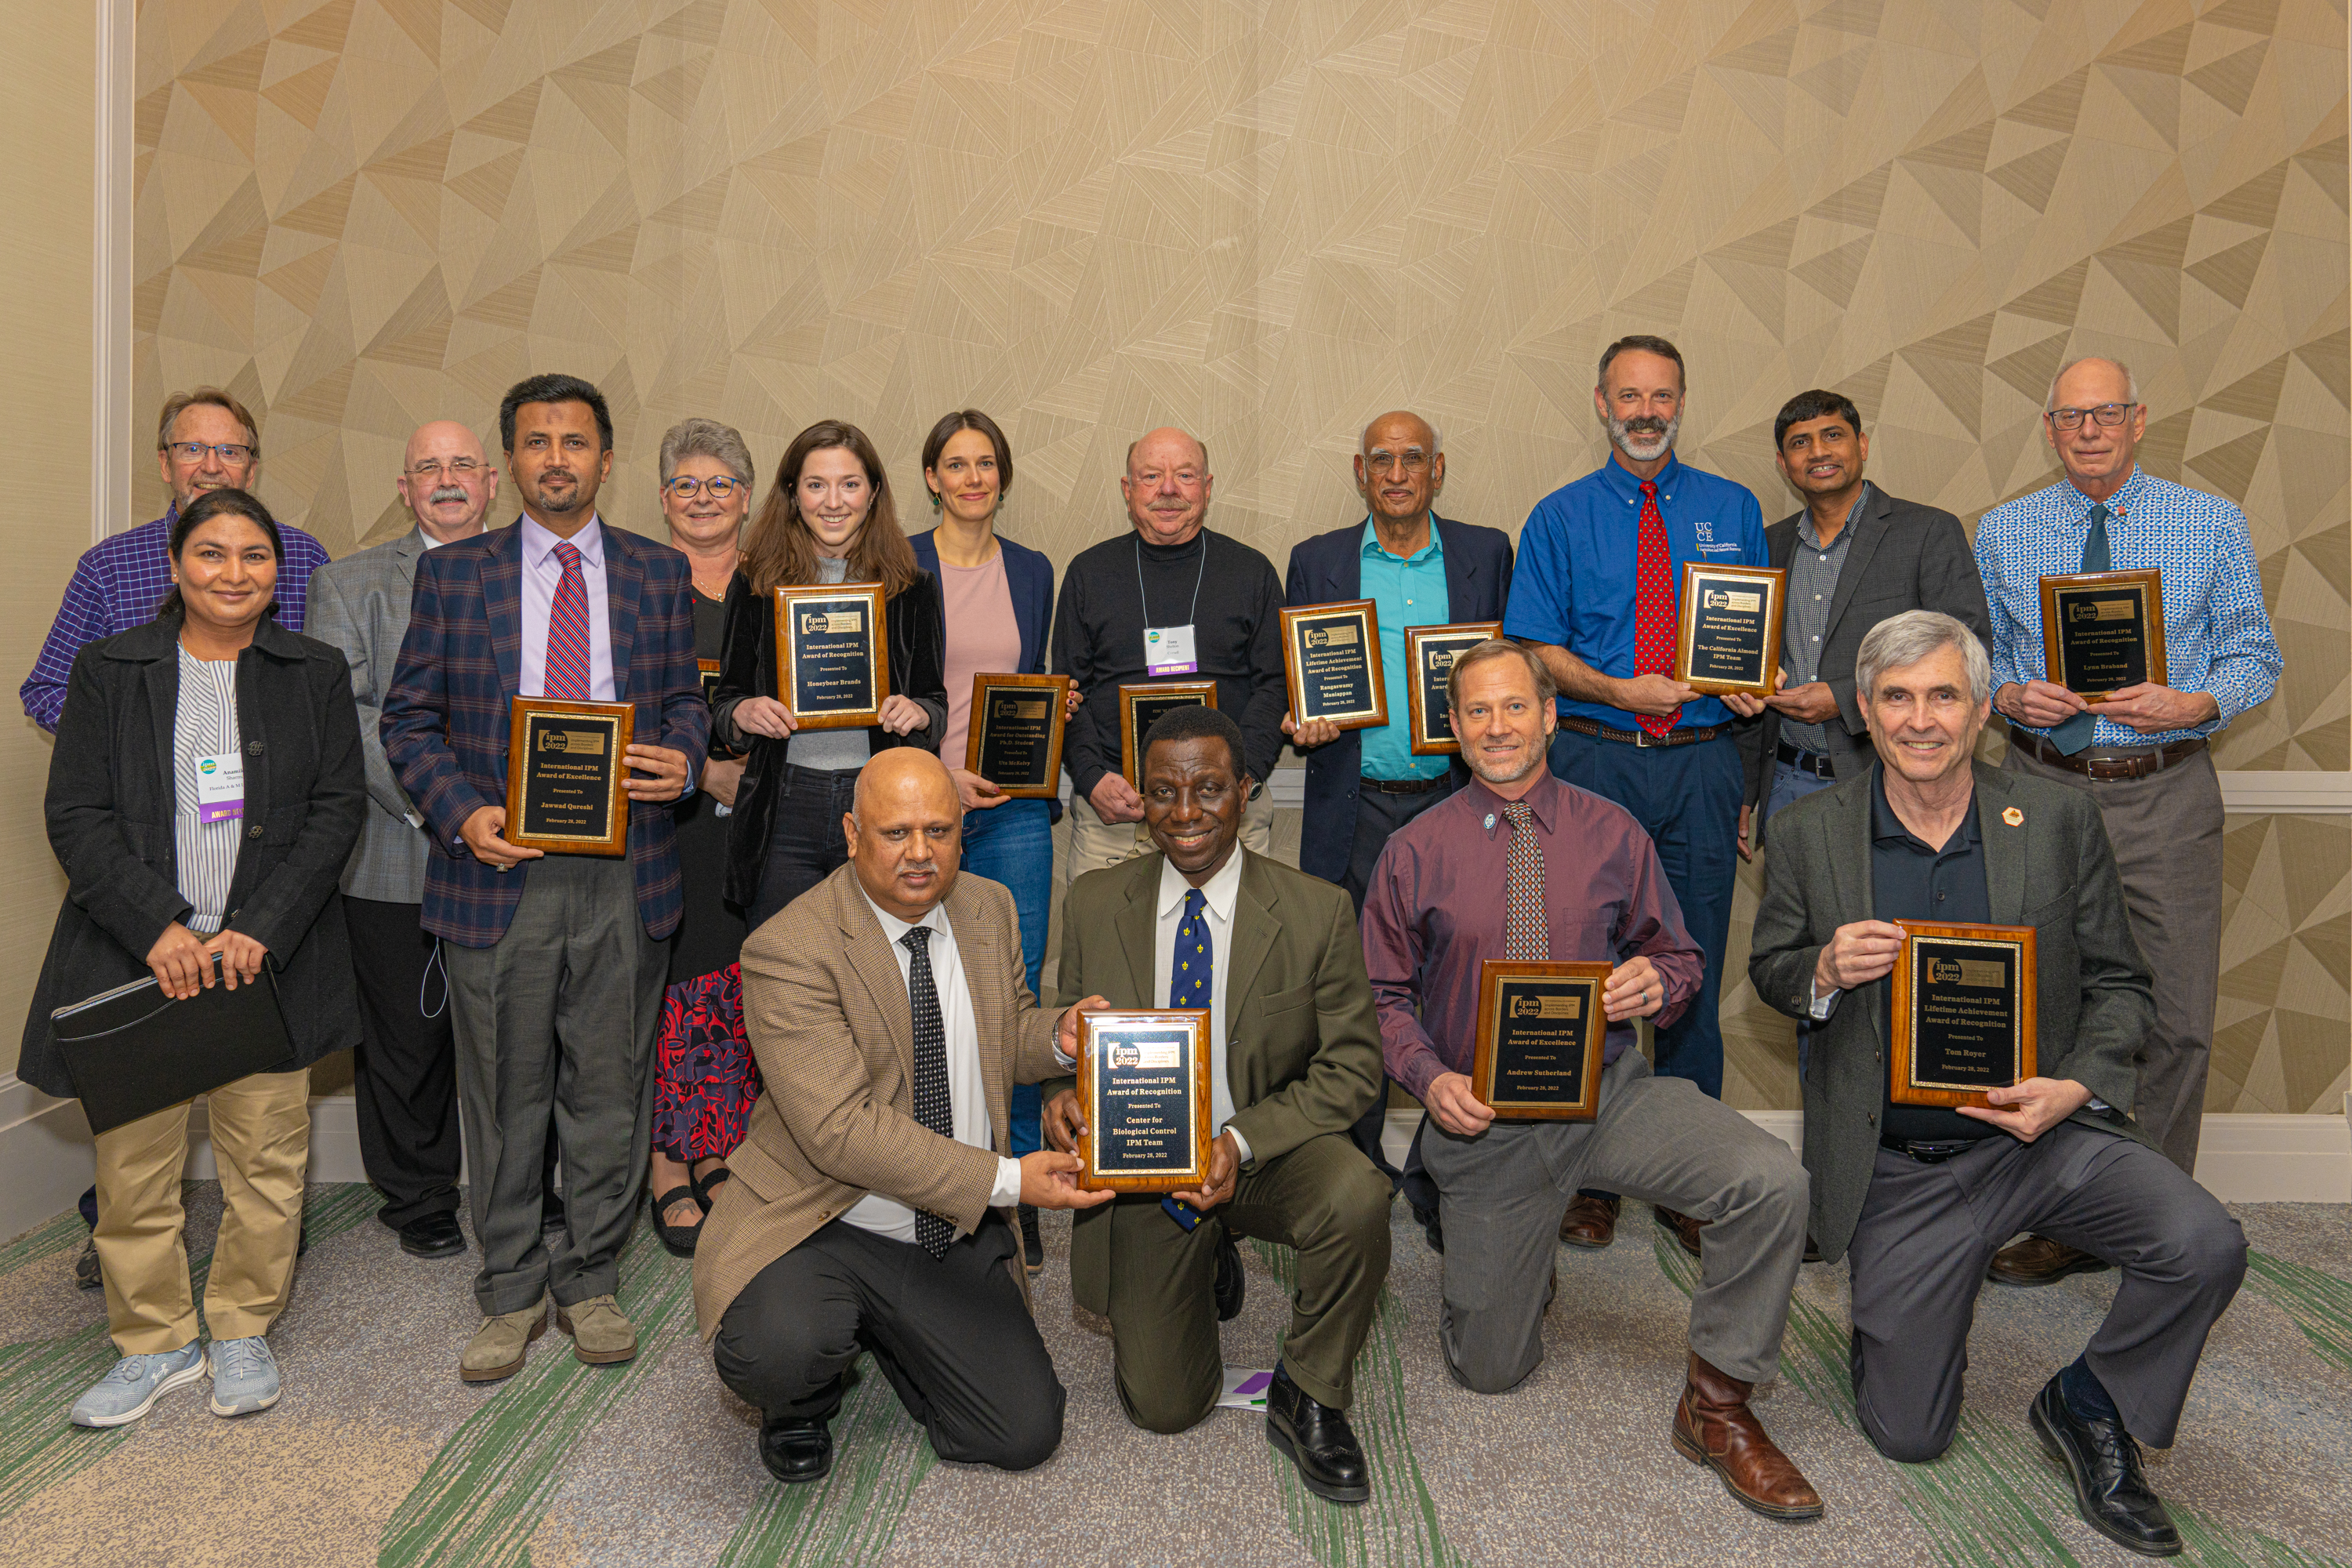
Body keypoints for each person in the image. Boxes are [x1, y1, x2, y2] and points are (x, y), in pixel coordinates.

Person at [1748, 611, 2249, 1557]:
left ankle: (2088, 1398)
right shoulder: (1810, 830)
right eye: (1897, 697)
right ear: (1865, 711)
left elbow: (2122, 983)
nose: (1921, 718)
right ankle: (1900, 1312)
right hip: (1904, 1164)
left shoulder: (2058, 817)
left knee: (2203, 1241)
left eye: (1944, 695)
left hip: (2043, 1138)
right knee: (1910, 1432)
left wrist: (2076, 1087)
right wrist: (1819, 968)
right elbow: (1771, 968)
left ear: (1982, 710)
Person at [1359, 638, 1823, 1523]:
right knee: (1491, 1368)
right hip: (1483, 1116)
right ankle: (1509, 1251)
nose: (1499, 727)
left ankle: (1718, 1403)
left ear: (1551, 714)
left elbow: (1677, 954)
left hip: (1609, 1092)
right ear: (1452, 728)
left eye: (1515, 707)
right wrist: (1429, 1078)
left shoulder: (1614, 830)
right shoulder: (1413, 851)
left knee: (1771, 1180)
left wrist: (1660, 981)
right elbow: (1378, 999)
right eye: (1479, 712)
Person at [382, 373, 707, 1383]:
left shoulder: (659, 574)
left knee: (610, 1086)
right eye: (535, 441)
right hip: (501, 869)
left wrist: (684, 756)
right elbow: (408, 720)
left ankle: (591, 1274)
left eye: (575, 441)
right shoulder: (456, 575)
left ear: (607, 458)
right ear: (509, 461)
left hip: (625, 869)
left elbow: (687, 701)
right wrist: (463, 813)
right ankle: (511, 1284)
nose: (556, 458)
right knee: (503, 1090)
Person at [22, 488, 364, 1426]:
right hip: (143, 960)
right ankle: (156, 1340)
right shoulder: (109, 668)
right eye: (211, 553)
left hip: (266, 958)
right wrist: (162, 929)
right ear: (176, 565)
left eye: (255, 556)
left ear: (277, 572)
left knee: (267, 1161)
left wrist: (259, 927)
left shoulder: (314, 670)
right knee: (134, 1167)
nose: (234, 573)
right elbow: (77, 816)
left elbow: (338, 810)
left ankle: (243, 1324)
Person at [695, 750, 1113, 1486]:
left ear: (961, 834)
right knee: (778, 1348)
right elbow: (841, 1131)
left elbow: (996, 1034)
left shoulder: (988, 907)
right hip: (822, 1218)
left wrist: (1056, 1037)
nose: (920, 854)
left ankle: (894, 1337)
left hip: (942, 1222)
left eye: (939, 831)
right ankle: (801, 1400)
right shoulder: (788, 949)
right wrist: (1012, 1179)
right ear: (853, 834)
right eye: (896, 833)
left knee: (1023, 1432)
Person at [1972, 354, 2282, 1290]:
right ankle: (2059, 1209)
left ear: (2139, 419)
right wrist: (2007, 694)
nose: (2090, 430)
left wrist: (2193, 705)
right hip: (2044, 785)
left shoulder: (2209, 520)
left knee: (2177, 1014)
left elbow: (2253, 655)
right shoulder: (2005, 530)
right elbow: (1973, 657)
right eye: (2071, 417)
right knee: (2043, 1005)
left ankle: (2155, 1220)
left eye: (2106, 413)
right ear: (2049, 427)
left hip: (2165, 787)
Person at [1044, 706, 1391, 1504]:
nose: (1186, 810)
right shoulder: (1096, 901)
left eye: (1208, 787)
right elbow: (1069, 1029)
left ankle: (1311, 1388)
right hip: (1143, 1166)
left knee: (1357, 1194)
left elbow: (1353, 1067)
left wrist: (1237, 1142)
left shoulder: (1315, 910)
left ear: (1244, 790)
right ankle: (1208, 1257)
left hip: (1265, 1150)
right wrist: (1065, 1088)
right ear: (1142, 797)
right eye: (1163, 790)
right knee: (1164, 1407)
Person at [1501, 333, 1769, 1254]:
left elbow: (1750, 634)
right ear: (1602, 405)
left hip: (1701, 760)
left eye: (1662, 396)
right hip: (1594, 757)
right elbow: (1533, 646)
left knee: (1685, 965)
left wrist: (1748, 680)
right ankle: (1589, 1172)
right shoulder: (1559, 516)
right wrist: (1618, 689)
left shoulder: (1731, 508)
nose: (1646, 411)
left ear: (1682, 402)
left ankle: (1692, 1173)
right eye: (1630, 396)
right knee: (1582, 965)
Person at [1283, 409, 1515, 1205]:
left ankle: (1444, 1164)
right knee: (1353, 991)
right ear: (1360, 472)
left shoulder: (1487, 552)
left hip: (1457, 805)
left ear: (1437, 472)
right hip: (1358, 806)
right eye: (1380, 458)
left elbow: (1509, 672)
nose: (1396, 472)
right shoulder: (1317, 561)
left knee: (1461, 984)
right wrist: (1302, 715)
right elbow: (1301, 673)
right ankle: (1359, 1165)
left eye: (1412, 457)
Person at [307, 420, 505, 1261]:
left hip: (517, 849)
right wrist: (443, 805)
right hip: (397, 843)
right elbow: (341, 719)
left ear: (492, 482)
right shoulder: (347, 584)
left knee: (513, 1031)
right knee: (404, 1037)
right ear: (404, 486)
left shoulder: (538, 575)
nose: (447, 478)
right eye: (428, 465)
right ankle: (419, 1194)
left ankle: (522, 1183)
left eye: (463, 464)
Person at [911, 408, 1078, 1274]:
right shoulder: (899, 563)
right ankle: (934, 1170)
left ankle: (1017, 1178)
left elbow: (1020, 683)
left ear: (1001, 478)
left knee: (1012, 993)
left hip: (1012, 805)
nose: (973, 477)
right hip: (924, 808)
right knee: (922, 987)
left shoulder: (1034, 569)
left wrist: (1054, 711)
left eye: (987, 464)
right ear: (932, 477)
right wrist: (941, 778)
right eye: (956, 463)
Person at [711, 420, 947, 934]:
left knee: (876, 981)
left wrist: (919, 713)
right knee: (782, 978)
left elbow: (934, 705)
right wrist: (744, 713)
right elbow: (724, 706)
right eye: (816, 484)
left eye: (850, 484)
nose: (833, 501)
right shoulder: (755, 584)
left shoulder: (913, 588)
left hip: (879, 809)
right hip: (783, 807)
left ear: (874, 492)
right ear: (793, 494)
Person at [1739, 390, 1992, 851]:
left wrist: (1843, 699)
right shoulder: (1769, 546)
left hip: (1891, 783)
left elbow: (1969, 652)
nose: (1818, 452)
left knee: (1887, 923)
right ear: (1783, 462)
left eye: (1832, 436)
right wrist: (1747, 787)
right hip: (1786, 783)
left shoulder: (1928, 532)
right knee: (1797, 922)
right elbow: (1753, 665)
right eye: (1800, 443)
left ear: (1862, 445)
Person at [21, 387, 332, 732]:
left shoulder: (305, 556)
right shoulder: (108, 566)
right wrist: (131, 746)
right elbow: (48, 690)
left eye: (230, 451)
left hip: (277, 770)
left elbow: (329, 684)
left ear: (252, 469)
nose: (211, 467)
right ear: (166, 465)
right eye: (192, 450)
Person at [1051, 429, 1285, 880]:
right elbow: (1068, 692)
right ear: (1128, 489)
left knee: (1239, 948)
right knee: (1109, 946)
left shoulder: (1251, 572)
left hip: (1228, 814)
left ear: (1208, 487)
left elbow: (1274, 685)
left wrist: (1246, 777)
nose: (1169, 490)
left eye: (1185, 475)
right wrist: (1091, 777)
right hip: (1117, 816)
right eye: (1152, 476)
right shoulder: (1089, 572)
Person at [644, 419, 758, 1257]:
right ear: (662, 499)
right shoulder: (637, 585)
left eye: (721, 484)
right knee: (671, 991)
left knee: (734, 990)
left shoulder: (777, 587)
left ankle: (719, 1146)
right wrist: (703, 773)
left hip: (758, 822)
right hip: (663, 818)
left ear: (748, 498)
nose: (704, 498)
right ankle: (663, 1162)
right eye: (687, 484)